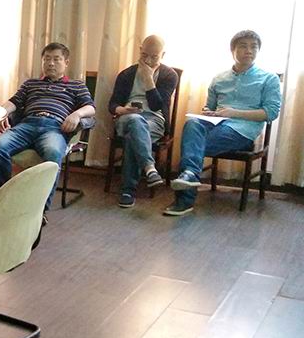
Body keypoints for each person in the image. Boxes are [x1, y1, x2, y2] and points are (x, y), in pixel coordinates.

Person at [164, 30, 282, 217]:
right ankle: (189, 176)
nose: (249, 50)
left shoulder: (269, 78)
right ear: (232, 50)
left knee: (192, 146)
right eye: (243, 46)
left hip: (242, 131)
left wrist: (233, 113)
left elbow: (271, 113)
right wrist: (207, 112)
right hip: (216, 124)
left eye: (254, 47)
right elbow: (208, 107)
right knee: (193, 123)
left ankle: (184, 197)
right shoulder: (219, 79)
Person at [0, 42, 96, 209]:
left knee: (53, 153)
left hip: (54, 128)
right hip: (26, 125)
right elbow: (13, 102)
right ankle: (5, 196)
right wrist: (0, 115)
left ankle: (41, 209)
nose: (50, 63)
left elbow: (90, 107)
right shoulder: (30, 84)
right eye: (46, 59)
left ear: (66, 62)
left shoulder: (76, 85)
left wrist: (76, 114)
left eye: (56, 59)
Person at [107, 35, 179, 208]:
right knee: (135, 120)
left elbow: (156, 105)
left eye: (154, 57)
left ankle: (128, 190)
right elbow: (112, 104)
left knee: (135, 132)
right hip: (127, 117)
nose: (148, 60)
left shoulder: (169, 75)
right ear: (140, 50)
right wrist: (122, 110)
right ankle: (149, 167)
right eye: (144, 55)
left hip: (155, 120)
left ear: (163, 55)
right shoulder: (126, 74)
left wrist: (148, 79)